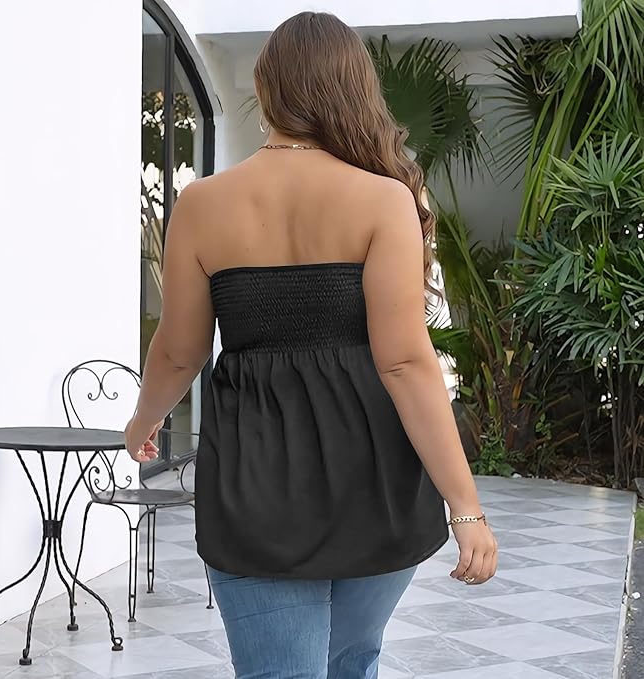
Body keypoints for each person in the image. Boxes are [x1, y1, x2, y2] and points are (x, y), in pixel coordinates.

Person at [125, 10, 497, 679]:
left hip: (256, 482)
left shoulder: (203, 204)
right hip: (376, 480)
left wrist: (144, 420)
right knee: (351, 661)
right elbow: (404, 361)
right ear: (353, 89)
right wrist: (464, 506)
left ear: (265, 89)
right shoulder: (384, 199)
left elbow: (179, 349)